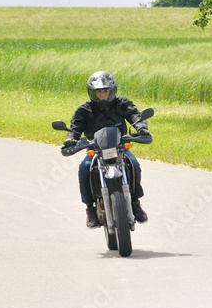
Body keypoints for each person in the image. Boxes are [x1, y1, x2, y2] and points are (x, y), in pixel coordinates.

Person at [63, 71, 151, 228]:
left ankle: (135, 203)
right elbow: (75, 128)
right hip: (96, 151)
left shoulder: (122, 103)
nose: (103, 95)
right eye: (99, 92)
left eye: (105, 91)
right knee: (84, 169)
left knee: (133, 164)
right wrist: (70, 139)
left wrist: (141, 128)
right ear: (92, 93)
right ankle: (90, 209)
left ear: (112, 91)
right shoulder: (84, 109)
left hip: (120, 148)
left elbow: (135, 116)